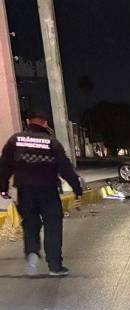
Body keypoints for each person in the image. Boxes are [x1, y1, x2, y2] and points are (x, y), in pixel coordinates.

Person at [0, 111, 82, 277]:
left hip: (25, 191)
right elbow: (66, 168)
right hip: (48, 191)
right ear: (45, 123)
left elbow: (4, 166)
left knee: (30, 224)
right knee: (53, 225)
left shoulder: (16, 140)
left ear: (29, 121)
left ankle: (31, 253)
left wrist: (3, 188)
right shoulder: (51, 142)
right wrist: (77, 190)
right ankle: (55, 266)